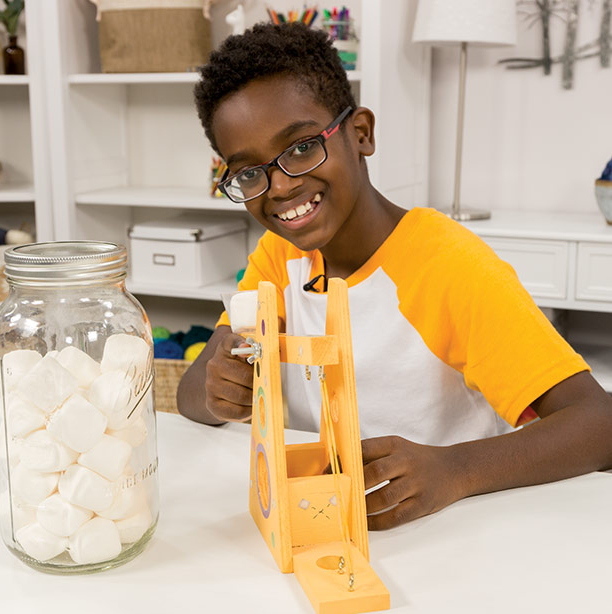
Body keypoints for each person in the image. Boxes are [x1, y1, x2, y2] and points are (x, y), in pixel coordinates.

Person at [178, 22, 612, 529]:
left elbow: (597, 422)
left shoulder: (448, 265)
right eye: (249, 173)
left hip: (453, 533)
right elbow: (192, 393)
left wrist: (455, 469)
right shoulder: (278, 257)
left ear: (361, 133)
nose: (278, 187)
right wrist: (216, 389)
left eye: (300, 148)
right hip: (328, 528)